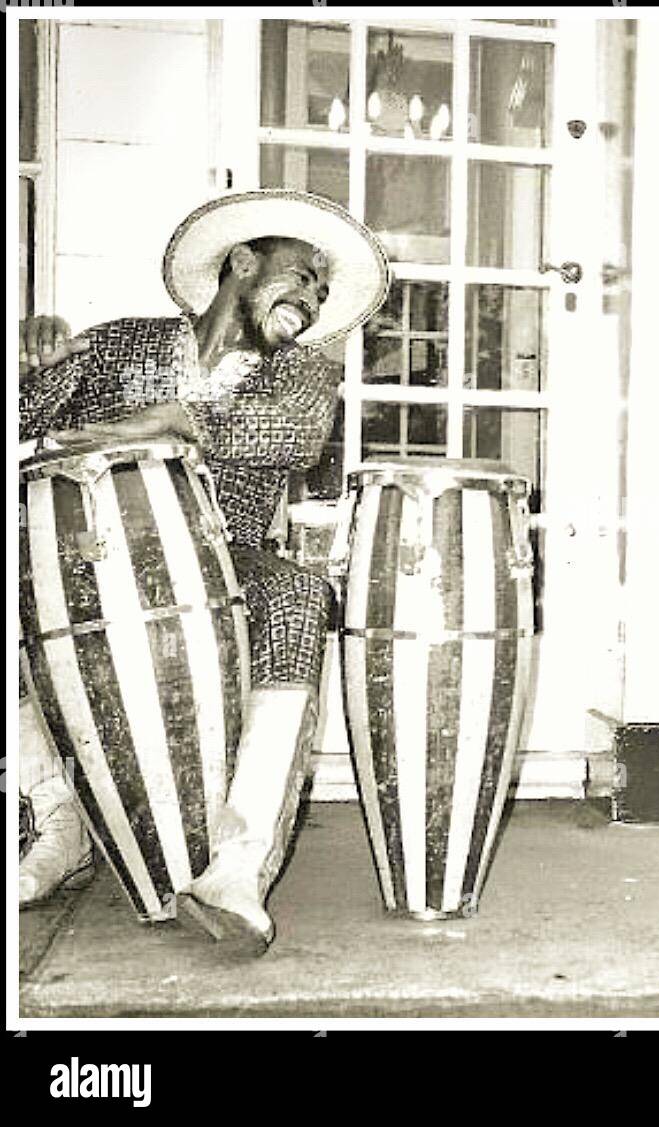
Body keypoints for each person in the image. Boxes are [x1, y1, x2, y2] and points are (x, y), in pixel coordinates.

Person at [18, 190, 390, 957]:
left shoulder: (301, 376)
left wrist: (184, 420)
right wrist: (35, 357)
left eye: (322, 291)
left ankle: (238, 870)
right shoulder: (118, 345)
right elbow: (25, 426)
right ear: (243, 263)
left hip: (228, 563)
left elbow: (295, 433)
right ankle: (57, 820)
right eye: (302, 275)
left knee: (296, 595)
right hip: (90, 566)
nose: (313, 298)